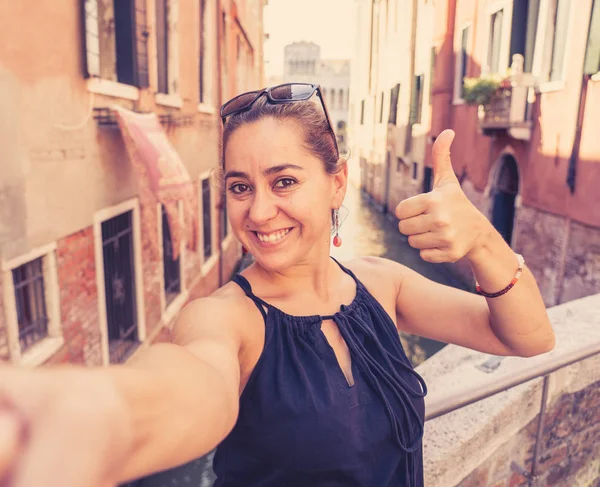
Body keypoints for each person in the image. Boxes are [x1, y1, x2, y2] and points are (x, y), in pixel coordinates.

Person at [0, 83, 555, 487]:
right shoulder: (224, 317)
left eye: (284, 181)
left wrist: (484, 242)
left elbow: (529, 337)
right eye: (240, 187)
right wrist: (102, 413)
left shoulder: (382, 283)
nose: (260, 212)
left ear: (337, 183)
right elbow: (194, 387)